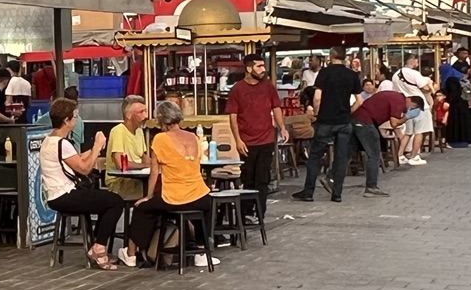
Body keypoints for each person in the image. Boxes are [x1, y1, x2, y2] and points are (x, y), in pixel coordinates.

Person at [127, 100, 216, 268]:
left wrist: (148, 196)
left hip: (174, 197)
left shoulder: (160, 139)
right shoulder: (194, 137)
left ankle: (131, 254)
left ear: (161, 120)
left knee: (141, 209)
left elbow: (154, 172)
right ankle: (202, 251)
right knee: (203, 208)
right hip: (200, 195)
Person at [40, 98, 124, 270]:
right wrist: (97, 147)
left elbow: (75, 159)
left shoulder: (50, 140)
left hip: (56, 195)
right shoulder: (62, 143)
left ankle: (98, 245)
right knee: (115, 202)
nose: (76, 120)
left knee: (106, 200)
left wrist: (94, 149)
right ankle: (99, 247)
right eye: (75, 116)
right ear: (66, 120)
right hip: (65, 195)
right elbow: (84, 169)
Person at [294, 50, 362, 202]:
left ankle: (308, 192)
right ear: (345, 57)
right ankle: (337, 194)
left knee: (315, 156)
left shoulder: (325, 73)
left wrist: (317, 113)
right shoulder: (352, 75)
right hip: (344, 122)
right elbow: (359, 101)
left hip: (325, 121)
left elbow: (317, 97)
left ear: (331, 56)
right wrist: (348, 112)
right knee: (341, 158)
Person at [225, 57, 285, 194]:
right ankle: (248, 207)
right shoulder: (237, 89)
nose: (263, 69)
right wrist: (237, 140)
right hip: (247, 142)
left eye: (263, 66)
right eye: (259, 66)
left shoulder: (268, 86)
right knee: (248, 179)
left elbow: (276, 107)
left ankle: (260, 207)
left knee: (263, 178)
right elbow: (233, 116)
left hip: (266, 139)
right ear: (248, 68)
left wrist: (282, 128)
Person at [351, 77, 404, 195]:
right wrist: (407, 117)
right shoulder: (400, 100)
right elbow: (394, 123)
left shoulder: (391, 95)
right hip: (365, 121)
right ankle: (371, 187)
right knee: (374, 154)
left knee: (348, 151)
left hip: (358, 118)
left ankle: (331, 177)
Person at [106, 95, 152, 195]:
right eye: (141, 112)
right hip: (120, 182)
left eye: (145, 111)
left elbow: (143, 156)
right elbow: (121, 164)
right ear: (128, 115)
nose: (146, 116)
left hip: (138, 180)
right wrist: (145, 166)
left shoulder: (139, 131)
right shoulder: (118, 131)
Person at [393, 57, 436, 165]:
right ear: (412, 60)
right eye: (416, 61)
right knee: (419, 132)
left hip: (407, 106)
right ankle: (414, 156)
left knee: (408, 132)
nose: (417, 63)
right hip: (420, 105)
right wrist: (432, 87)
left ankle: (400, 155)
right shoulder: (413, 73)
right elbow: (424, 87)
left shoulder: (395, 75)